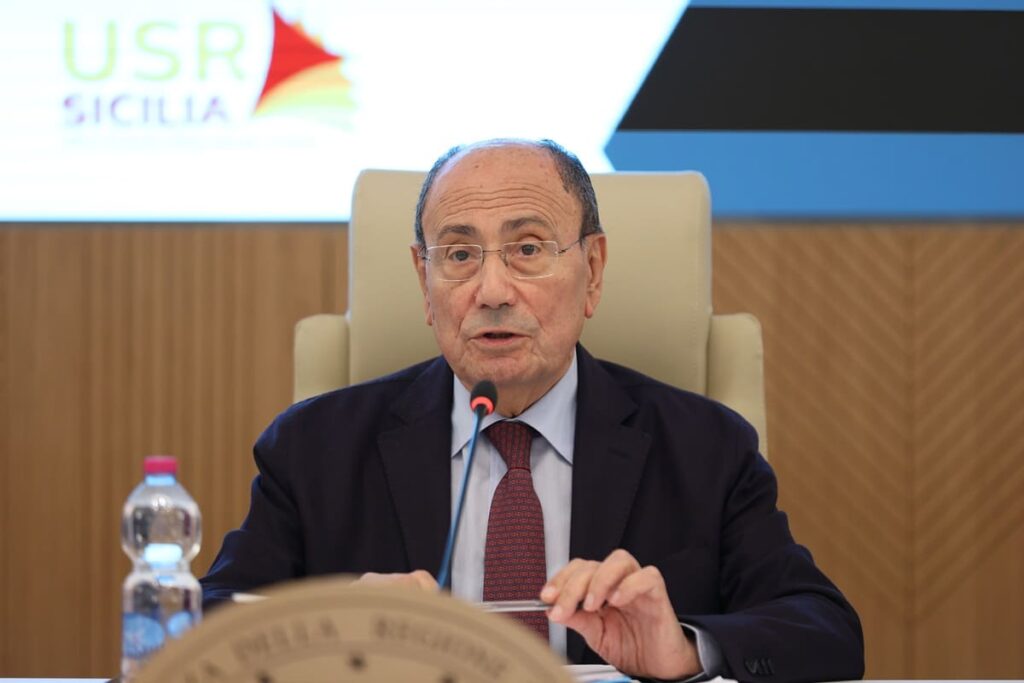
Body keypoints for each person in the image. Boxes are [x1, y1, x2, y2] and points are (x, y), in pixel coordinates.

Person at [201, 138, 864, 682]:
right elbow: (198, 629)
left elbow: (825, 630)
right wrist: (328, 630)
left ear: (593, 270)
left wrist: (687, 647)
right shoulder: (315, 449)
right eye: (460, 255)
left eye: (527, 249)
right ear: (424, 282)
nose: (492, 290)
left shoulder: (703, 447)